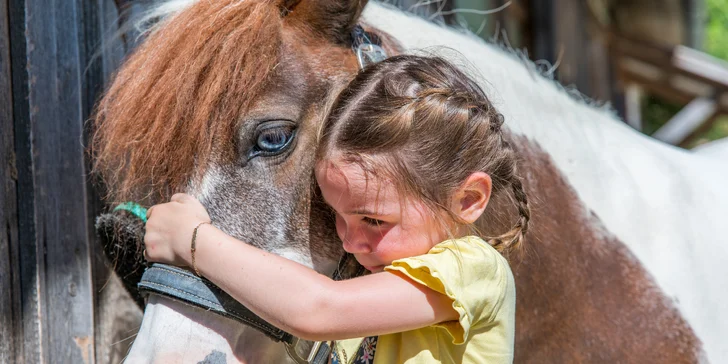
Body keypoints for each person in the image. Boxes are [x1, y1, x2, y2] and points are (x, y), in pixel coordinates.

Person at [143, 54, 530, 364]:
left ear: (467, 200)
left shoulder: (475, 270)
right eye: (337, 216)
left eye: (374, 220)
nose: (348, 241)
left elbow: (318, 309)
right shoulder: (371, 279)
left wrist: (193, 240)